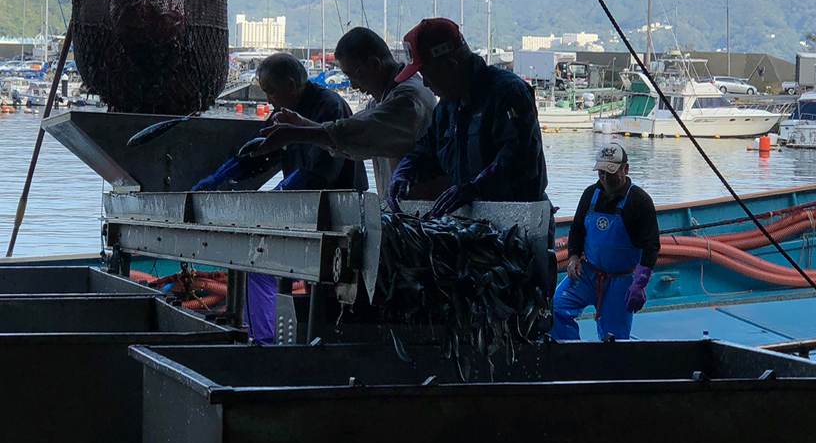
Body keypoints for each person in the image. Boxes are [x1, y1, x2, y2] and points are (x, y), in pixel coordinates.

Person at [192, 52, 368, 344]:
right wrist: (221, 176)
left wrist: (280, 193)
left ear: (291, 84)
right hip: (303, 214)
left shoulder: (329, 107)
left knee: (327, 288)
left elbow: (320, 171)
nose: (270, 100)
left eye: (272, 92)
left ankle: (309, 342)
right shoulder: (284, 112)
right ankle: (265, 340)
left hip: (340, 217)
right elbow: (261, 152)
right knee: (259, 265)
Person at [388, 17, 548, 217]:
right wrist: (404, 173)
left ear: (449, 66)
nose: (426, 85)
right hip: (471, 222)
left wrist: (474, 189)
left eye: (426, 75)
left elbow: (520, 158)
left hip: (519, 221)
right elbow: (426, 151)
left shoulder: (508, 93)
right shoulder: (446, 108)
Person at [258, 27, 436, 203]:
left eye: (353, 76)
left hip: (423, 211)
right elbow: (354, 131)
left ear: (374, 64)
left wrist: (295, 133)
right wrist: (302, 124)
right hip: (405, 208)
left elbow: (355, 133)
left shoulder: (407, 100)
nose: (353, 86)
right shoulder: (382, 99)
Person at [552, 142, 659, 341]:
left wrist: (640, 283)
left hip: (620, 279)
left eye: (611, 172)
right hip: (587, 273)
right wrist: (574, 258)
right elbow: (576, 230)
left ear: (625, 169)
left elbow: (651, 246)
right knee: (556, 308)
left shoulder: (640, 201)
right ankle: (571, 355)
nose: (605, 178)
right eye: (601, 172)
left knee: (614, 339)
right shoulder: (590, 194)